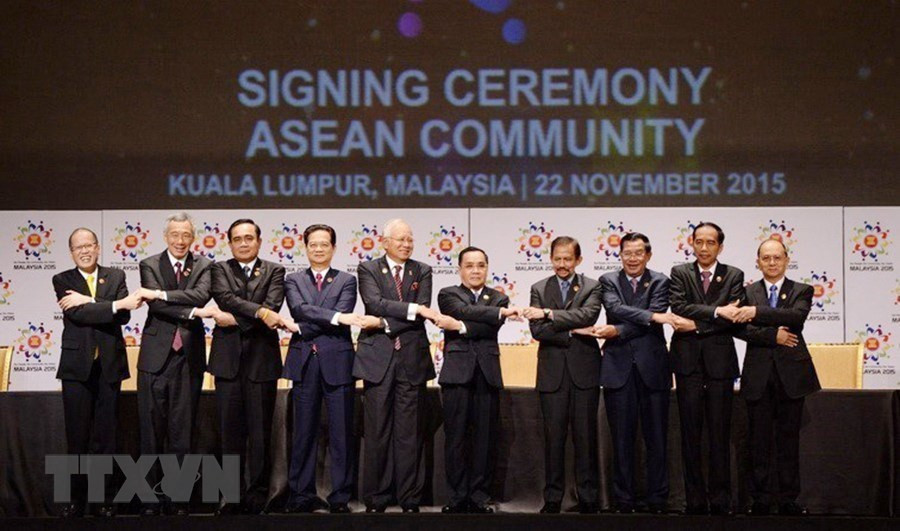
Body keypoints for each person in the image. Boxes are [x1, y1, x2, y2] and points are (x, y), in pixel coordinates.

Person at [282, 224, 377, 514]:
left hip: (338, 363)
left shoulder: (347, 280)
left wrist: (301, 326)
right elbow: (299, 308)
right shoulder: (292, 279)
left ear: (334, 248)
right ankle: (301, 496)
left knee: (341, 434)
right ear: (306, 247)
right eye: (313, 244)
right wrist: (335, 317)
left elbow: (314, 314)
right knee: (303, 434)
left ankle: (340, 498)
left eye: (325, 244)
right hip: (304, 362)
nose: (319, 249)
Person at [52, 228, 143, 518]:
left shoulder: (115, 276)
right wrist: (113, 305)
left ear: (97, 247)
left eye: (89, 245)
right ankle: (73, 500)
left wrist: (89, 301)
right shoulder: (63, 279)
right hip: (76, 368)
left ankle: (106, 500)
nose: (85, 250)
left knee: (107, 437)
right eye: (78, 247)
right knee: (76, 436)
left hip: (109, 367)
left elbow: (126, 316)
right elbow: (77, 314)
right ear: (71, 252)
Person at [353, 218, 438, 513]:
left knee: (409, 433)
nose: (406, 244)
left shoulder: (423, 270)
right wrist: (410, 309)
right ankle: (376, 498)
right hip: (377, 359)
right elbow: (373, 302)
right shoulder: (368, 269)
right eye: (400, 239)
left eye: (409, 239)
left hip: (412, 359)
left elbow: (423, 307)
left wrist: (385, 322)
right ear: (385, 242)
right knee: (377, 430)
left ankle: (410, 499)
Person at [135, 212, 215, 516]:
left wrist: (160, 293)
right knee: (150, 432)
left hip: (189, 357)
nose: (180, 241)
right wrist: (190, 309)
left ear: (192, 238)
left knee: (183, 432)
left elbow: (200, 294)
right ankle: (148, 501)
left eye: (186, 235)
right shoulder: (150, 264)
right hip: (155, 357)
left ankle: (179, 499)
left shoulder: (206, 265)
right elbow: (158, 307)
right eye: (175, 235)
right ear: (166, 236)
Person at [208, 218, 289, 515]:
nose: (244, 243)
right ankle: (229, 495)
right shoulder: (218, 268)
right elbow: (224, 297)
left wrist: (236, 317)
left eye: (249, 238)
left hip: (261, 362)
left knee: (260, 434)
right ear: (230, 243)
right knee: (229, 434)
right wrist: (258, 313)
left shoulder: (275, 270)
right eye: (238, 239)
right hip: (227, 362)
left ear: (259, 241)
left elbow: (274, 305)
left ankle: (257, 496)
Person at [734, 238, 820, 516]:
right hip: (758, 375)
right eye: (766, 258)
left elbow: (796, 317)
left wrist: (757, 313)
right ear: (757, 262)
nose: (772, 263)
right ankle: (759, 499)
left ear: (786, 260)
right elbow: (739, 329)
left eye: (777, 258)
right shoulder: (747, 292)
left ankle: (787, 499)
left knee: (787, 442)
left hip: (791, 377)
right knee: (758, 442)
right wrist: (774, 334)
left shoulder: (802, 289)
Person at [434, 246, 521, 514]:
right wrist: (481, 317)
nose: (475, 270)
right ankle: (457, 497)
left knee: (485, 438)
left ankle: (480, 497)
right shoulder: (448, 294)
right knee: (456, 437)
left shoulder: (499, 297)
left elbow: (488, 326)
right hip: (457, 374)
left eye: (481, 265)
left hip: (487, 372)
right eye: (470, 265)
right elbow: (460, 310)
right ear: (460, 268)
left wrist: (459, 326)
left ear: (487, 267)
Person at [668, 221, 746, 515]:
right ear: (692, 243)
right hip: (687, 363)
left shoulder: (734, 275)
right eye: (698, 241)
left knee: (719, 434)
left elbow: (733, 317)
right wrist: (715, 311)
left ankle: (721, 500)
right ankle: (695, 501)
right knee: (690, 435)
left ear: (720, 247)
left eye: (710, 242)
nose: (703, 247)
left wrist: (697, 325)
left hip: (720, 364)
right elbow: (679, 306)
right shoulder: (680, 272)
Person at [523, 236, 602, 514]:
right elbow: (537, 331)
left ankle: (589, 497)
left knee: (586, 438)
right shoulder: (538, 287)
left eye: (568, 259)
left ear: (578, 260)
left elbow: (588, 316)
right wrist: (571, 329)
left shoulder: (593, 286)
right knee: (553, 439)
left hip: (585, 373)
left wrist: (548, 314)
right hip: (552, 374)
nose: (562, 265)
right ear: (551, 258)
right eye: (557, 259)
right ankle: (553, 498)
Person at [598, 232, 674, 514]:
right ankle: (624, 499)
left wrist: (618, 329)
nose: (632, 258)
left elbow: (647, 312)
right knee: (621, 439)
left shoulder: (661, 280)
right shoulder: (608, 280)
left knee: (657, 438)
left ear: (648, 255)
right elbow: (615, 308)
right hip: (618, 368)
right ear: (620, 255)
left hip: (653, 368)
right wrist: (652, 317)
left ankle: (657, 499)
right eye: (627, 253)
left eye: (638, 253)